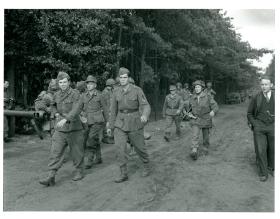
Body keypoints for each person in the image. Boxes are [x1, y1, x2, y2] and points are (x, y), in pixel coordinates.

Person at [39, 71, 85, 186]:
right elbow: (53, 106)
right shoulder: (56, 94)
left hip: (74, 127)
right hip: (60, 128)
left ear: (69, 82)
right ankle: (51, 176)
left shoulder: (76, 93)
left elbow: (76, 109)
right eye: (61, 82)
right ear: (58, 84)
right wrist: (55, 114)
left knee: (76, 152)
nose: (63, 84)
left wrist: (66, 119)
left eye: (65, 82)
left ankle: (79, 171)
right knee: (55, 151)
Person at [107, 67, 151, 183]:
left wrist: (145, 115)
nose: (122, 79)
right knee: (119, 149)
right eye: (120, 78)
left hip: (134, 122)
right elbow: (113, 111)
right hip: (120, 123)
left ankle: (146, 164)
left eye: (124, 77)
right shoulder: (116, 91)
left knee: (139, 147)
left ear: (128, 78)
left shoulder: (137, 90)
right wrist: (110, 126)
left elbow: (146, 105)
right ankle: (123, 173)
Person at [247, 76, 274, 182]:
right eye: (262, 84)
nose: (264, 86)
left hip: (273, 126)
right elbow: (249, 113)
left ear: (271, 85)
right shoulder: (256, 97)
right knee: (260, 149)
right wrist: (255, 124)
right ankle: (263, 172)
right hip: (259, 127)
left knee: (273, 149)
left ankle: (271, 168)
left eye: (266, 84)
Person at [77, 75, 108, 169]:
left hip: (97, 121)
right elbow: (78, 108)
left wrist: (108, 122)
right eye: (88, 84)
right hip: (87, 121)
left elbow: (106, 110)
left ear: (95, 85)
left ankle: (89, 161)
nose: (89, 85)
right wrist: (79, 115)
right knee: (93, 139)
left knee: (90, 140)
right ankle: (98, 158)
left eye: (91, 84)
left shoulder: (100, 95)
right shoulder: (83, 96)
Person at [188, 80, 219, 160]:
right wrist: (189, 113)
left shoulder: (208, 96)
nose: (197, 88)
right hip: (196, 119)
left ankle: (205, 147)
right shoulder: (192, 97)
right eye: (195, 87)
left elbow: (215, 106)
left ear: (202, 88)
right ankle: (194, 150)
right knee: (195, 135)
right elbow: (189, 108)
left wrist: (213, 111)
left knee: (206, 136)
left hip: (205, 119)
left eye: (198, 87)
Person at [101, 78, 115, 144]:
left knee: (111, 124)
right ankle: (106, 138)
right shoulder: (105, 92)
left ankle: (111, 137)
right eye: (113, 85)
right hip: (106, 111)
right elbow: (104, 103)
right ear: (111, 85)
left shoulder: (111, 91)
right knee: (106, 125)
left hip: (110, 110)